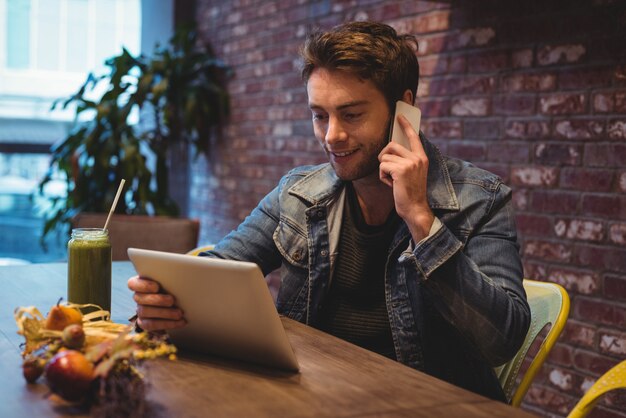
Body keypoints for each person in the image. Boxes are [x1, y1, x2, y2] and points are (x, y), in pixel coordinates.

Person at [128, 21, 530, 402]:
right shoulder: (300, 193)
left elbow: (502, 339)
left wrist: (422, 221)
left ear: (404, 109)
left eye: (352, 115)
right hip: (316, 397)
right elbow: (216, 270)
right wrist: (164, 303)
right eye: (319, 116)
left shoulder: (481, 200)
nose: (332, 136)